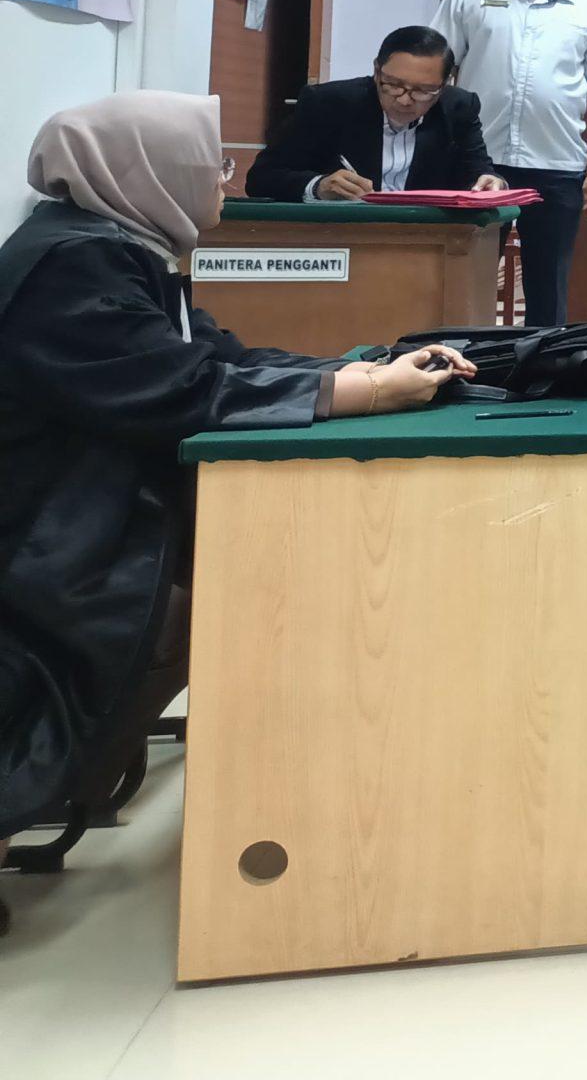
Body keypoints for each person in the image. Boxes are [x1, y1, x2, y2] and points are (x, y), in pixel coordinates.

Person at [0, 94, 472, 895]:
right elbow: (175, 389)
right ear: (145, 171)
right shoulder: (74, 265)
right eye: (209, 164)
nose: (222, 179)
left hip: (85, 510)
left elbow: (218, 357)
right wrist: (358, 393)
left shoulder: (117, 243)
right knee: (223, 601)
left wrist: (357, 373)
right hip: (42, 531)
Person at [432, 0, 587, 327]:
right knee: (466, 275)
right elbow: (436, 72)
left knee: (548, 282)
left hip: (557, 163)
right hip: (479, 161)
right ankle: (460, 359)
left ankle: (544, 359)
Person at [245, 26, 505, 201]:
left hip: (426, 239)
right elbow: (261, 178)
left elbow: (479, 172)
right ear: (376, 71)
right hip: (344, 237)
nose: (404, 99)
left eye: (423, 91)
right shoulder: (329, 103)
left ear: (444, 84)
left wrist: (491, 182)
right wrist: (318, 186)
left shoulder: (458, 108)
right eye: (393, 85)